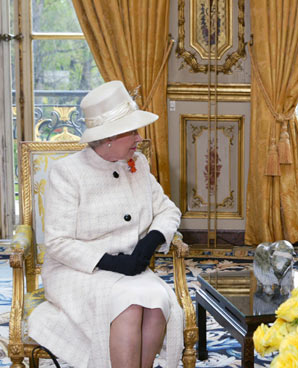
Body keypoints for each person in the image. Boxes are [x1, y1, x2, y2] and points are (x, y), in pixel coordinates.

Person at [28, 80, 183, 368]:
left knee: (156, 301)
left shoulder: (137, 164)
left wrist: (150, 242)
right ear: (110, 137)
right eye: (133, 132)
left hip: (131, 269)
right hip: (78, 271)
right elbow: (58, 242)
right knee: (129, 306)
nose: (139, 139)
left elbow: (168, 210)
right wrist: (110, 262)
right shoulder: (68, 173)